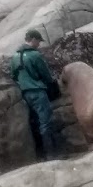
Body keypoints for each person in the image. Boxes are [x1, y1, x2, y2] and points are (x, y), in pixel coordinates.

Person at [10, 28, 63, 159]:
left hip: (25, 94)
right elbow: (46, 75)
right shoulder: (35, 55)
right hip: (38, 92)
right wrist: (52, 85)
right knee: (46, 122)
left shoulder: (15, 56)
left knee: (34, 122)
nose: (39, 44)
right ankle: (52, 154)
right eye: (38, 41)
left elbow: (13, 75)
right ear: (33, 39)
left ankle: (40, 154)